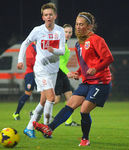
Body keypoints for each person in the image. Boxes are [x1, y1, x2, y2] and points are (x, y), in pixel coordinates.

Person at [33, 11, 114, 146]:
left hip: (100, 82)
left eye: (81, 24)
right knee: (70, 104)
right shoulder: (78, 44)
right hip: (87, 82)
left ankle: (85, 139)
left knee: (84, 110)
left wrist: (96, 68)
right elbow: (84, 64)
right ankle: (49, 128)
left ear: (89, 26)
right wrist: (77, 73)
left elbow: (109, 58)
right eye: (76, 24)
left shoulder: (97, 40)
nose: (77, 27)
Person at [17, 2, 65, 138]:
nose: (48, 17)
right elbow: (25, 43)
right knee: (51, 98)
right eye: (46, 15)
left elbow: (62, 51)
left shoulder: (60, 31)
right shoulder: (38, 30)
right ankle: (46, 129)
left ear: (55, 16)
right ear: (42, 17)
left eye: (50, 14)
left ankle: (29, 128)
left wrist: (53, 50)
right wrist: (21, 60)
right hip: (40, 70)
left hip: (53, 70)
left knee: (43, 101)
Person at [54, 24, 80, 126]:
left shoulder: (64, 44)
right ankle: (35, 112)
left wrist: (68, 73)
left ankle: (68, 121)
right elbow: (60, 63)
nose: (68, 34)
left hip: (63, 74)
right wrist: (68, 72)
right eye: (66, 32)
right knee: (56, 99)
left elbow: (62, 63)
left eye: (70, 32)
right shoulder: (60, 44)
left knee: (70, 98)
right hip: (58, 73)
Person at [13, 42, 36, 120]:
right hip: (31, 73)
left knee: (46, 94)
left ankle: (35, 112)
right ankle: (16, 113)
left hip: (41, 73)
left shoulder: (43, 45)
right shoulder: (31, 46)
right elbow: (29, 61)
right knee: (27, 94)